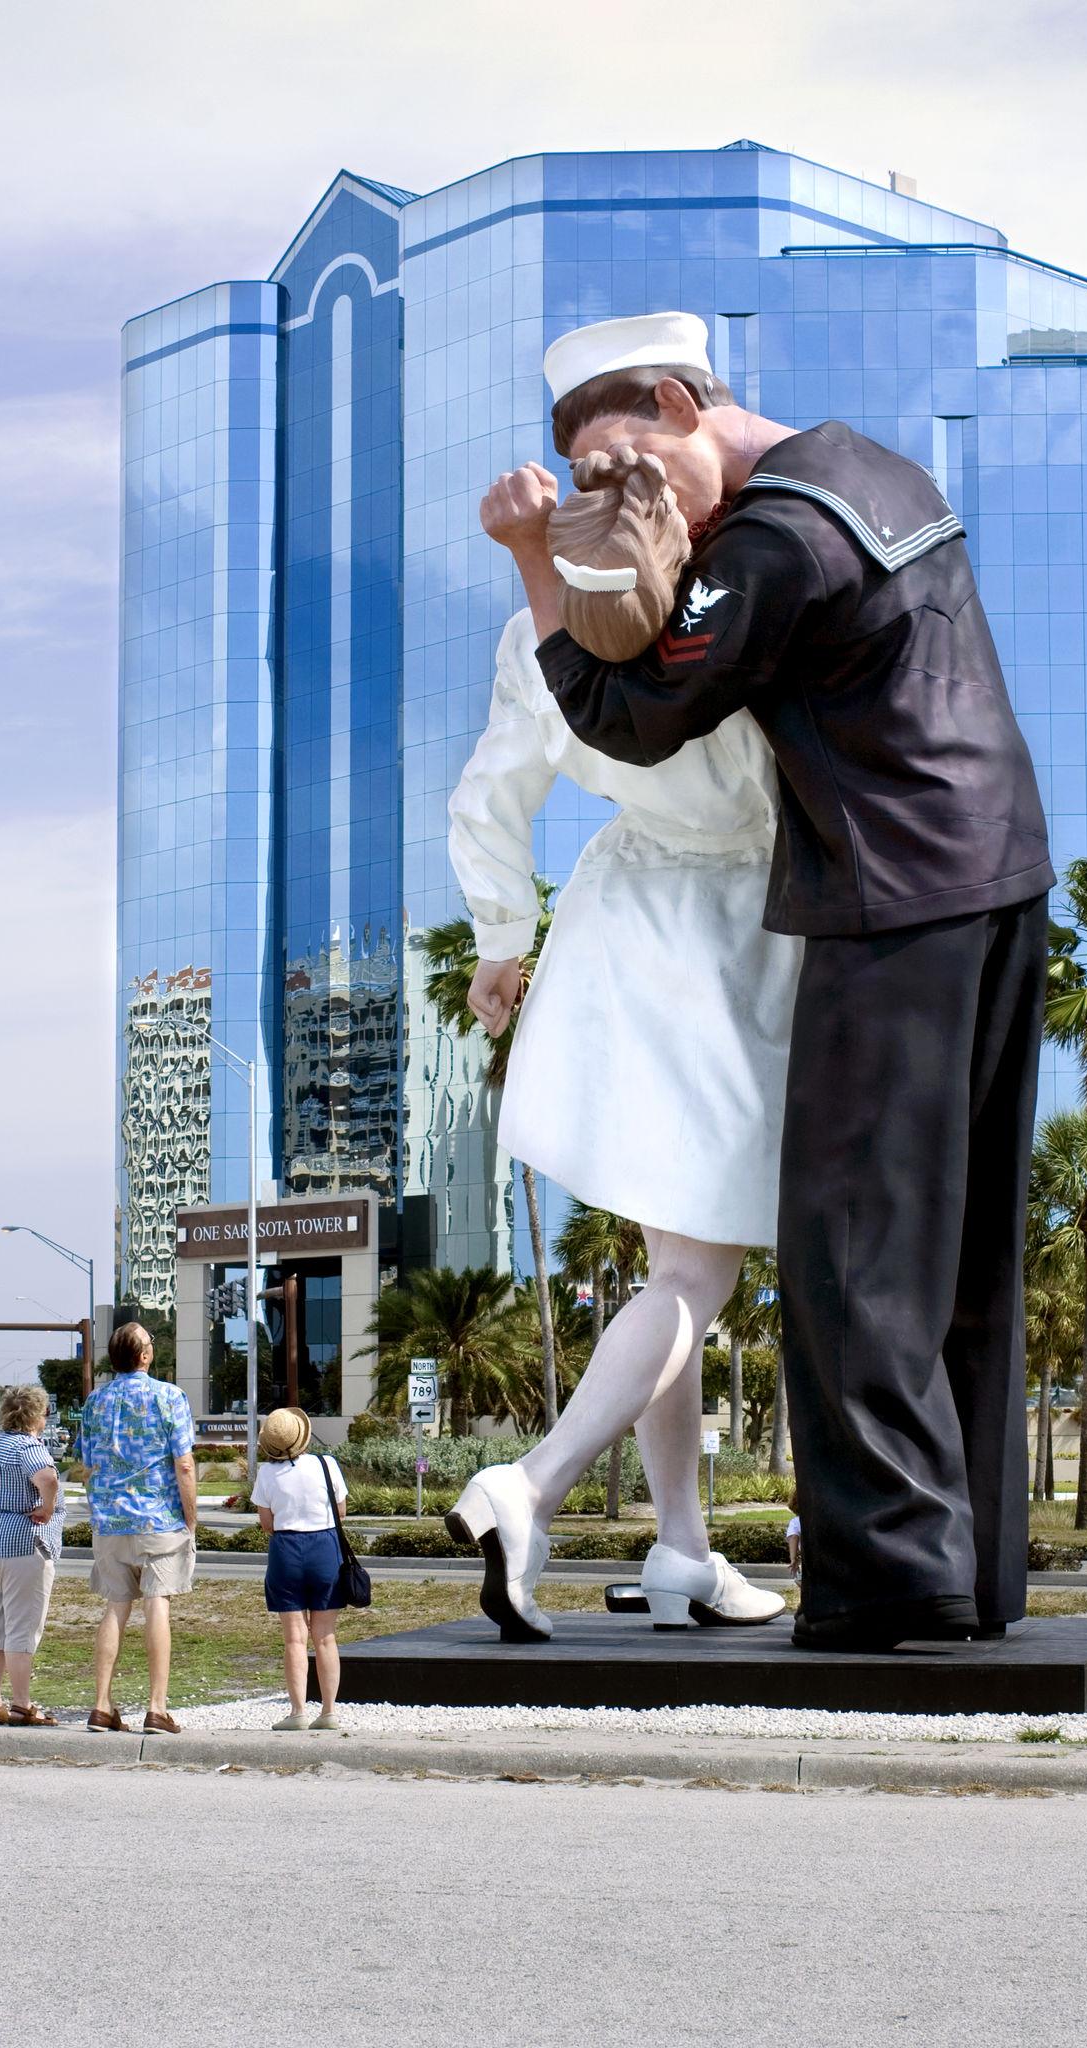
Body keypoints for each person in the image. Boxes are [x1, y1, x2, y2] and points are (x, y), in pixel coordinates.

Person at [481, 310, 1053, 1653]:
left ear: (688, 402)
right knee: (956, 1256)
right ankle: (971, 1577)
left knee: (853, 1264)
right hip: (998, 874)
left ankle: (886, 1589)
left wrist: (537, 567)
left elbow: (632, 710)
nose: (624, 507)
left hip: (893, 902)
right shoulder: (874, 467)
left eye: (631, 468)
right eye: (592, 491)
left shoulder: (776, 540)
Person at [443, 446, 794, 1640]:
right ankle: (526, 1487)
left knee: (669, 1276)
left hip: (616, 928)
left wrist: (500, 935)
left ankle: (684, 1550)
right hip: (732, 942)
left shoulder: (537, 631)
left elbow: (489, 795)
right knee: (697, 1278)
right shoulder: (728, 615)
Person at [79, 1321, 197, 1733]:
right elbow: (184, 1463)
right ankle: (156, 1707)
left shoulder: (95, 1401)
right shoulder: (170, 1397)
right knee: (156, 1604)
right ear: (145, 1355)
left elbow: (87, 1462)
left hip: (110, 1521)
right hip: (158, 1519)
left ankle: (101, 1705)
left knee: (115, 1607)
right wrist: (191, 1517)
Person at [0, 1385, 64, 1726]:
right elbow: (47, 1478)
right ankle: (23, 1704)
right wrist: (48, 1509)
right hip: (22, 1546)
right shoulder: (28, 1446)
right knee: (22, 1630)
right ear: (37, 1415)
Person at [252, 1407, 348, 1731]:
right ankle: (329, 1711)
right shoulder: (326, 1465)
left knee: (294, 1638)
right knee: (325, 1637)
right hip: (325, 1547)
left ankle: (297, 1712)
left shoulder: (266, 1474)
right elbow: (342, 1511)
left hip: (286, 1549)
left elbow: (267, 1524)